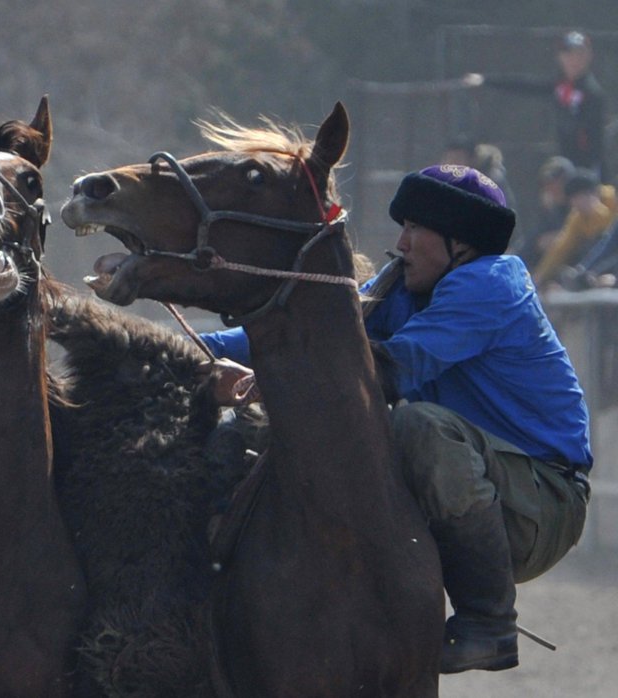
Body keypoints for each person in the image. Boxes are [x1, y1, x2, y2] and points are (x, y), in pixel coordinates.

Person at [199, 165, 591, 674]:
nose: (400, 243)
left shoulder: (490, 285)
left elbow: (392, 369)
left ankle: (489, 622)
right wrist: (180, 352)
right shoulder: (406, 291)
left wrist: (266, 379)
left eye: (414, 229)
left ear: (460, 243)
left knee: (417, 427)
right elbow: (296, 333)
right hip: (480, 482)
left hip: (541, 502)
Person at [479, 30, 609, 182]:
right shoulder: (560, 86)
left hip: (586, 169)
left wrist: (591, 173)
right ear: (560, 57)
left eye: (579, 54)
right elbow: (525, 85)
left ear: (588, 57)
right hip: (565, 164)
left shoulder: (592, 93)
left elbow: (594, 142)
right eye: (568, 54)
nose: (573, 59)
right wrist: (486, 80)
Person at [531, 167, 618, 287]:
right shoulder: (577, 216)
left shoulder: (611, 198)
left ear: (587, 194)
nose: (574, 204)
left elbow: (611, 232)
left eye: (576, 198)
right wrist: (539, 277)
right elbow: (562, 247)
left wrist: (596, 211)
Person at [511, 155, 576, 270]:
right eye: (548, 183)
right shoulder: (552, 206)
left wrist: (561, 236)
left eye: (555, 182)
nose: (551, 188)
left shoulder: (577, 202)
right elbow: (535, 236)